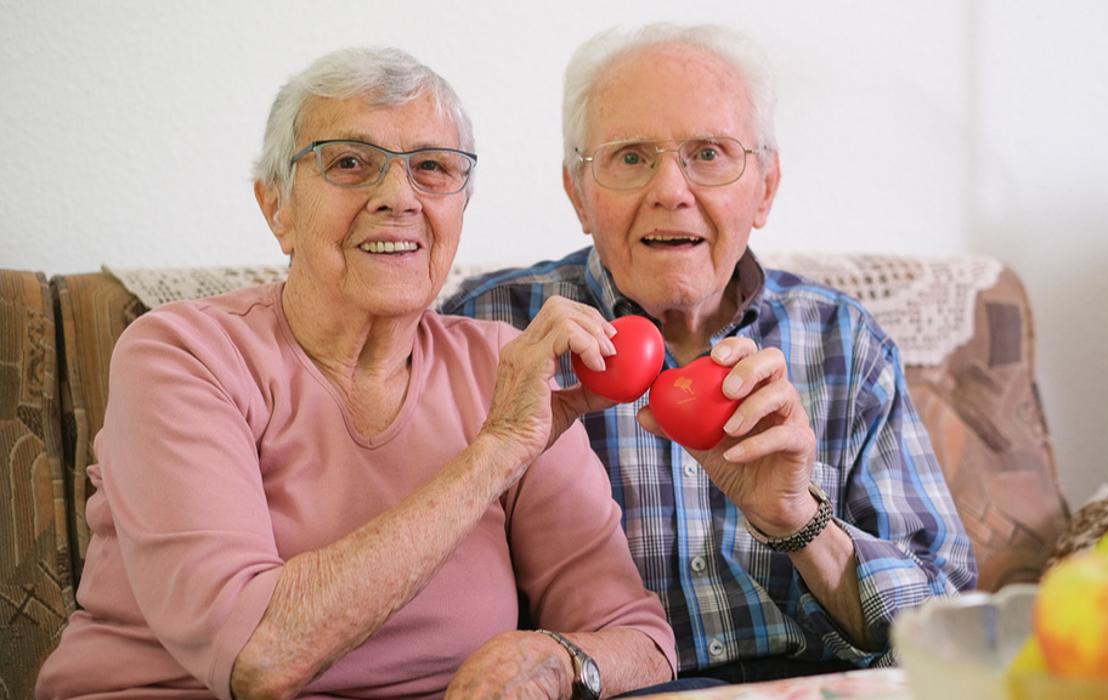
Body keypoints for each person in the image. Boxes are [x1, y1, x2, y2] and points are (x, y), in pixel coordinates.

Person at [36, 47, 676, 699]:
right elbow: (259, 658)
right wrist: (497, 452)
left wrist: (560, 662)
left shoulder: (499, 367)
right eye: (349, 163)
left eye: (431, 168)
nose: (397, 197)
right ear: (276, 208)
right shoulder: (182, 354)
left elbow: (637, 637)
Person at [442, 24, 977, 682]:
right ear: (577, 192)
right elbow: (439, 601)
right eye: (631, 157)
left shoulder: (845, 340)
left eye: (709, 153)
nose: (671, 190)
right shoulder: (489, 330)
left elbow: (948, 626)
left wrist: (797, 521)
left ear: (767, 188)